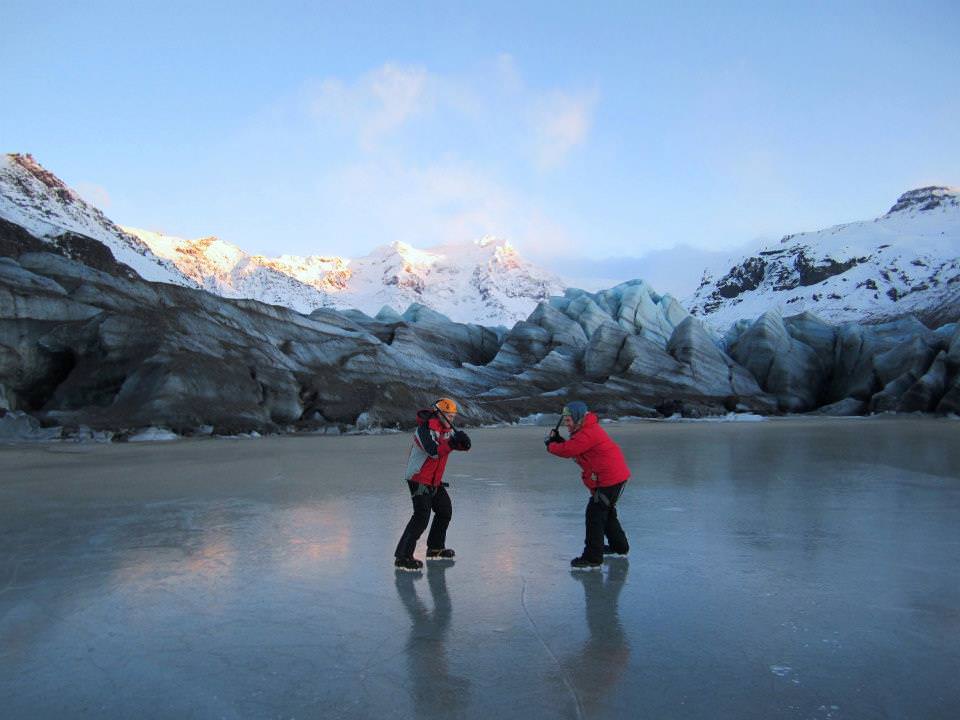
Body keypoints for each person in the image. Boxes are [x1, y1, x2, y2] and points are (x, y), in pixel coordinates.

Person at [545, 401, 630, 569]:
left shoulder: (587, 433)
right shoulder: (585, 430)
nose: (567, 424)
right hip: (614, 477)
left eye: (569, 420)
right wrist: (559, 441)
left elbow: (569, 450)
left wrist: (551, 445)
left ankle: (593, 557)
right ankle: (619, 547)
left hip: (609, 479)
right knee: (606, 513)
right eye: (565, 421)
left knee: (595, 516)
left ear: (578, 418)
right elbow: (576, 449)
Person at [394, 397, 472, 571]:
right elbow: (433, 451)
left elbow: (453, 444)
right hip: (418, 478)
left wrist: (463, 443)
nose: (451, 419)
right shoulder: (424, 429)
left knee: (444, 510)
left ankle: (435, 548)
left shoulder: (446, 430)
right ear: (439, 414)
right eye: (448, 415)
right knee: (421, 517)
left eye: (453, 416)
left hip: (434, 480)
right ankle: (402, 557)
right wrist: (452, 443)